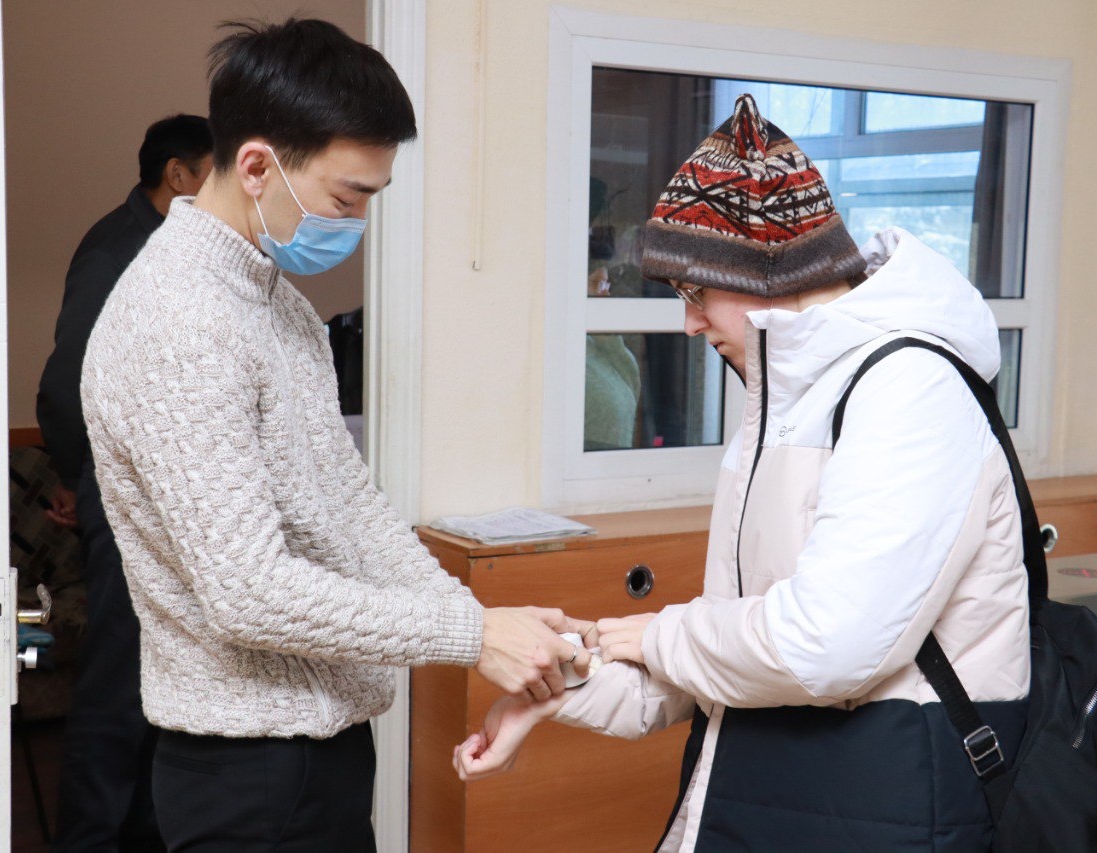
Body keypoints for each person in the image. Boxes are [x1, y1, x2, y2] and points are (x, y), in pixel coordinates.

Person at [455, 94, 1030, 851]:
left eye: (696, 292)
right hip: (777, 794)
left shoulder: (910, 388)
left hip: (885, 807)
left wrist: (655, 633)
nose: (688, 322)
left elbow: (825, 647)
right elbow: (732, 654)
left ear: (768, 271)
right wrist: (560, 683)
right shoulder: (783, 403)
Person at [79, 19, 591, 851]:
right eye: (346, 199)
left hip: (320, 750)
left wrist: (477, 616)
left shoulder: (276, 306)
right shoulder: (180, 321)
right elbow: (249, 590)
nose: (355, 221)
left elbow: (352, 507)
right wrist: (471, 636)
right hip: (246, 773)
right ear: (256, 166)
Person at [38, 113, 213, 852]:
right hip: (122, 494)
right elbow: (65, 385)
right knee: (116, 694)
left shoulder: (177, 249)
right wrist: (83, 477)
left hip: (165, 498)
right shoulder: (117, 250)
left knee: (155, 688)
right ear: (177, 174)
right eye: (214, 172)